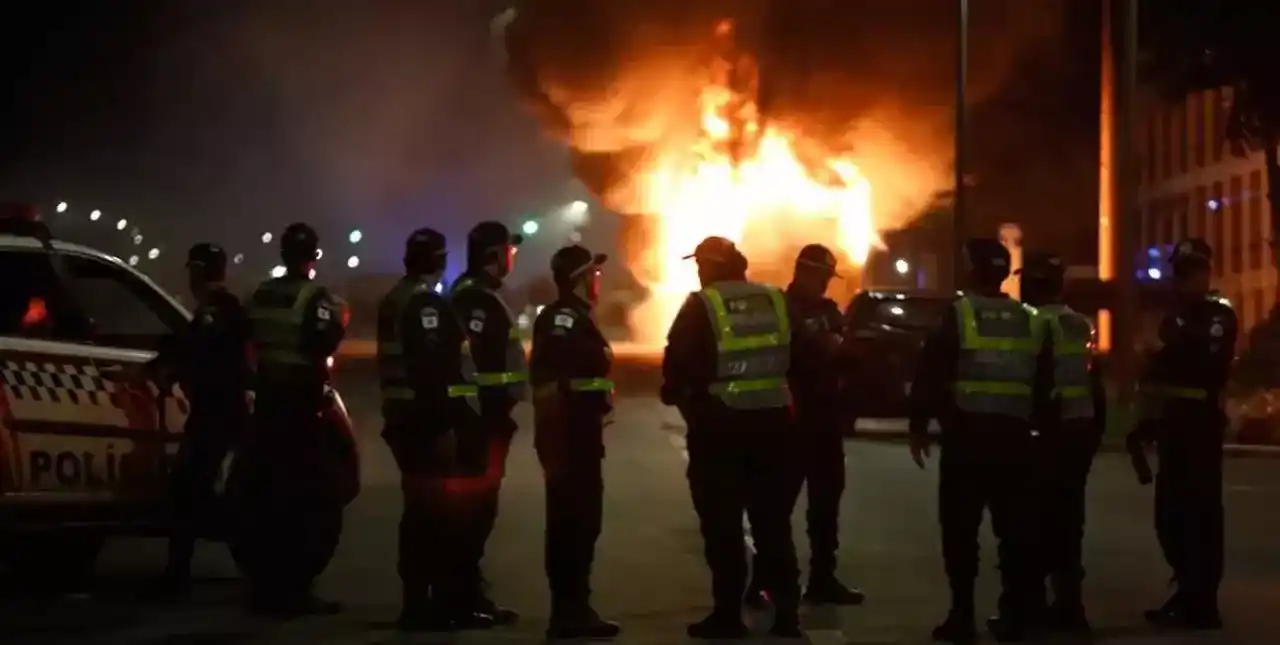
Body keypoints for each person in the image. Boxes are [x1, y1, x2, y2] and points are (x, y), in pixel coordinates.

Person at [907, 238, 1051, 644]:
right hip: (1016, 441)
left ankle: (963, 615)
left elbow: (932, 370)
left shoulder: (959, 314)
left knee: (960, 533)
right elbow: (1045, 383)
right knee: (1016, 533)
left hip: (967, 440)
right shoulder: (1031, 319)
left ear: (971, 271)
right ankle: (1016, 616)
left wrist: (920, 424)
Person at [661, 236, 803, 639]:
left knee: (723, 526)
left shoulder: (701, 306)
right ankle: (788, 616)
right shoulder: (776, 301)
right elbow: (804, 358)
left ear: (708, 266)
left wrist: (684, 398)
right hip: (775, 428)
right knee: (773, 524)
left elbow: (678, 367)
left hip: (720, 432)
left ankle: (727, 615)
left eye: (700, 265)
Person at [236, 222, 351, 617]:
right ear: (313, 257)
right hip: (300, 408)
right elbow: (323, 340)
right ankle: (294, 589)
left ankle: (262, 584)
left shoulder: (260, 293)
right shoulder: (315, 297)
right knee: (306, 499)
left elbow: (246, 336)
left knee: (265, 494)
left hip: (266, 404)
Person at [378, 228, 490, 631]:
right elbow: (431, 369)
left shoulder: (396, 297)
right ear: (437, 261)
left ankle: (418, 604)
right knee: (438, 517)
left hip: (402, 417)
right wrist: (447, 422)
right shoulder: (423, 303)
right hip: (425, 423)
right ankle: (438, 606)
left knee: (419, 513)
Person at [746, 244, 864, 608]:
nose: (826, 284)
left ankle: (822, 580)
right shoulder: (779, 308)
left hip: (826, 421)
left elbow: (846, 354)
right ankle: (763, 584)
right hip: (790, 422)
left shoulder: (829, 311)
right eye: (823, 276)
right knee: (775, 509)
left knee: (825, 509)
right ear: (806, 272)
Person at [1133, 238, 1235, 630]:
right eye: (1180, 273)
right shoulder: (1173, 316)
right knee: (1170, 516)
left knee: (1201, 516)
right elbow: (1157, 365)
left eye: (1190, 272)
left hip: (1201, 426)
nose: (1182, 281)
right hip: (1173, 426)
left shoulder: (1218, 314)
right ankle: (1188, 590)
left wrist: (1166, 350)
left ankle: (1202, 600)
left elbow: (1201, 358)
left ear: (1205, 272)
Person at [146, 243, 251, 599]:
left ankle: (179, 576)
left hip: (218, 415)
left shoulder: (217, 311)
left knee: (188, 489)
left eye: (194, 270)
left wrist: (169, 367)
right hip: (214, 413)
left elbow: (197, 351)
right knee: (195, 490)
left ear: (204, 272)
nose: (190, 278)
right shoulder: (217, 310)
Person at [529, 245, 621, 640]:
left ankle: (575, 608)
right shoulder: (564, 318)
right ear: (582, 278)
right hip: (570, 439)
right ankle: (569, 612)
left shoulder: (576, 317)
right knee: (573, 524)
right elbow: (556, 375)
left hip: (579, 436)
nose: (599, 280)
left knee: (581, 524)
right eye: (594, 275)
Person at [1019, 251, 1106, 632]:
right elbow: (1094, 382)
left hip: (1046, 436)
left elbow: (1033, 381)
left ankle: (1033, 609)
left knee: (1035, 525)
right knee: (1070, 525)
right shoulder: (1079, 323)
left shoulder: (1033, 324)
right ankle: (1071, 610)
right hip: (1078, 433)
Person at [448, 220, 527, 624]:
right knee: (472, 513)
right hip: (479, 424)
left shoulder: (482, 297)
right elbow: (466, 367)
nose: (513, 257)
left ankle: (469, 592)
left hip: (490, 422)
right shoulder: (473, 300)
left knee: (480, 511)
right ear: (494, 256)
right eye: (509, 251)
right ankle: (462, 597)